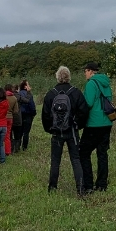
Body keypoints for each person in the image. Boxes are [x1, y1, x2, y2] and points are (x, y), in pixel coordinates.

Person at [41, 66, 89, 194]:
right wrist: (78, 125)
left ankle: (52, 188)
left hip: (57, 132)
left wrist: (49, 129)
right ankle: (80, 188)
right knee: (76, 159)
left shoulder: (51, 94)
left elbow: (45, 114)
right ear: (69, 76)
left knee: (55, 160)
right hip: (72, 131)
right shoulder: (76, 92)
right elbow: (84, 112)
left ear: (57, 77)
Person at [80, 61, 115, 193]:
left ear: (90, 71)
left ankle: (88, 185)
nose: (85, 73)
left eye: (85, 71)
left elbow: (87, 103)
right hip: (107, 122)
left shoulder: (91, 84)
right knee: (102, 153)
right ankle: (102, 184)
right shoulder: (106, 83)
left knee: (83, 152)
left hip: (94, 124)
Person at [17, 80, 37, 151]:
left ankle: (17, 146)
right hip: (28, 114)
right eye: (28, 85)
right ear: (25, 86)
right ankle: (24, 147)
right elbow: (31, 105)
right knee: (26, 132)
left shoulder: (18, 94)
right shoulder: (29, 95)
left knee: (20, 131)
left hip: (20, 114)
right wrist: (33, 113)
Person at [5, 83, 21, 154]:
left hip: (3, 117)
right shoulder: (14, 98)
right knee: (9, 134)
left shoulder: (3, 97)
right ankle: (10, 149)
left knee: (5, 135)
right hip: (10, 117)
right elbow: (16, 111)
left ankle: (5, 150)